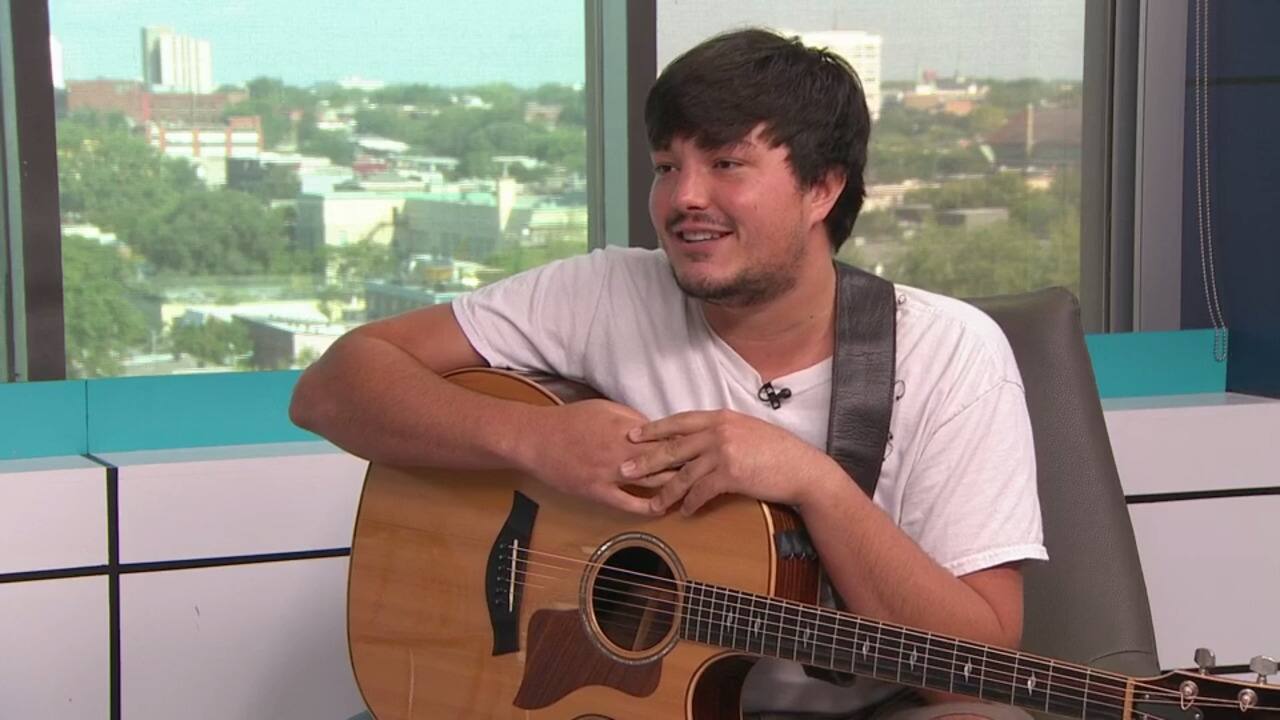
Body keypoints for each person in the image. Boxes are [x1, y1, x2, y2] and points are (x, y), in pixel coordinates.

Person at [293, 28, 1046, 720]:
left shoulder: (950, 353)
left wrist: (810, 482)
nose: (683, 197)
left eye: (724, 163)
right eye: (666, 166)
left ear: (823, 188)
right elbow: (333, 387)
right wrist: (538, 437)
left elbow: (974, 667)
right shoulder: (601, 293)